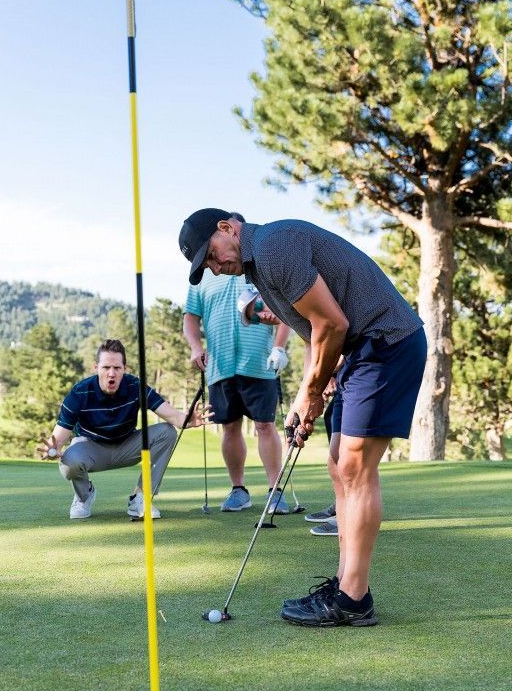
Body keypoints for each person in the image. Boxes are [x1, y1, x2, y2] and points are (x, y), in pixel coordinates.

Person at [178, 208, 427, 628]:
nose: (216, 266)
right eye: (207, 266)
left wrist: (313, 392)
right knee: (337, 464)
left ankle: (352, 597)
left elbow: (332, 323)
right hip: (360, 352)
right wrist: (304, 398)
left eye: (212, 255)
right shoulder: (259, 270)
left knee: (355, 466)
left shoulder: (274, 245)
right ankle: (349, 584)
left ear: (227, 228)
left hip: (386, 343)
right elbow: (317, 333)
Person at [37, 338, 206, 520]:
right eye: (106, 368)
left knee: (167, 432)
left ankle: (140, 498)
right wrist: (53, 450)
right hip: (92, 448)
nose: (111, 374)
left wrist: (188, 420)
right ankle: (84, 496)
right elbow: (58, 439)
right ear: (96, 368)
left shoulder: (135, 386)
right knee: (68, 461)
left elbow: (173, 417)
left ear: (124, 369)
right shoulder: (79, 393)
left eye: (117, 368)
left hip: (126, 446)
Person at [183, 258, 292, 513]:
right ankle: (238, 490)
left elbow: (286, 313)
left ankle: (275, 491)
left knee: (265, 425)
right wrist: (196, 348)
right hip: (220, 365)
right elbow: (191, 317)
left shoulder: (262, 269)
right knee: (229, 428)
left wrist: (279, 347)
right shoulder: (202, 276)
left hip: (259, 363)